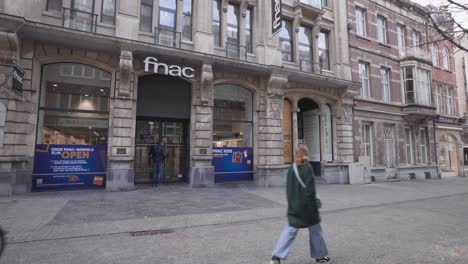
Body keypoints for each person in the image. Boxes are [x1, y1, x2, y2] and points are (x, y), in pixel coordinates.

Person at [269, 144, 330, 264]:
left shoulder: (291, 168)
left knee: (290, 231)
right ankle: (320, 257)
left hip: (294, 206)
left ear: (296, 154)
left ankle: (276, 257)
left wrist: (291, 204)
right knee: (316, 231)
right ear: (306, 153)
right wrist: (315, 208)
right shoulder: (308, 168)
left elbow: (288, 188)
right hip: (308, 208)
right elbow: (310, 191)